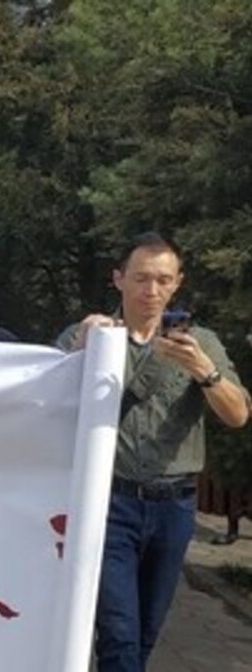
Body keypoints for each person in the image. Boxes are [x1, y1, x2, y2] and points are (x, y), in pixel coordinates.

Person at [57, 232, 250, 672]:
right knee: (119, 634)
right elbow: (44, 403)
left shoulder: (201, 342)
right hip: (108, 501)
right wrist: (79, 352)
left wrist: (205, 371)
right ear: (118, 279)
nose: (152, 290)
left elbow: (238, 414)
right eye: (142, 278)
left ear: (178, 282)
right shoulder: (89, 335)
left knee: (144, 633)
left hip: (174, 506)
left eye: (164, 279)